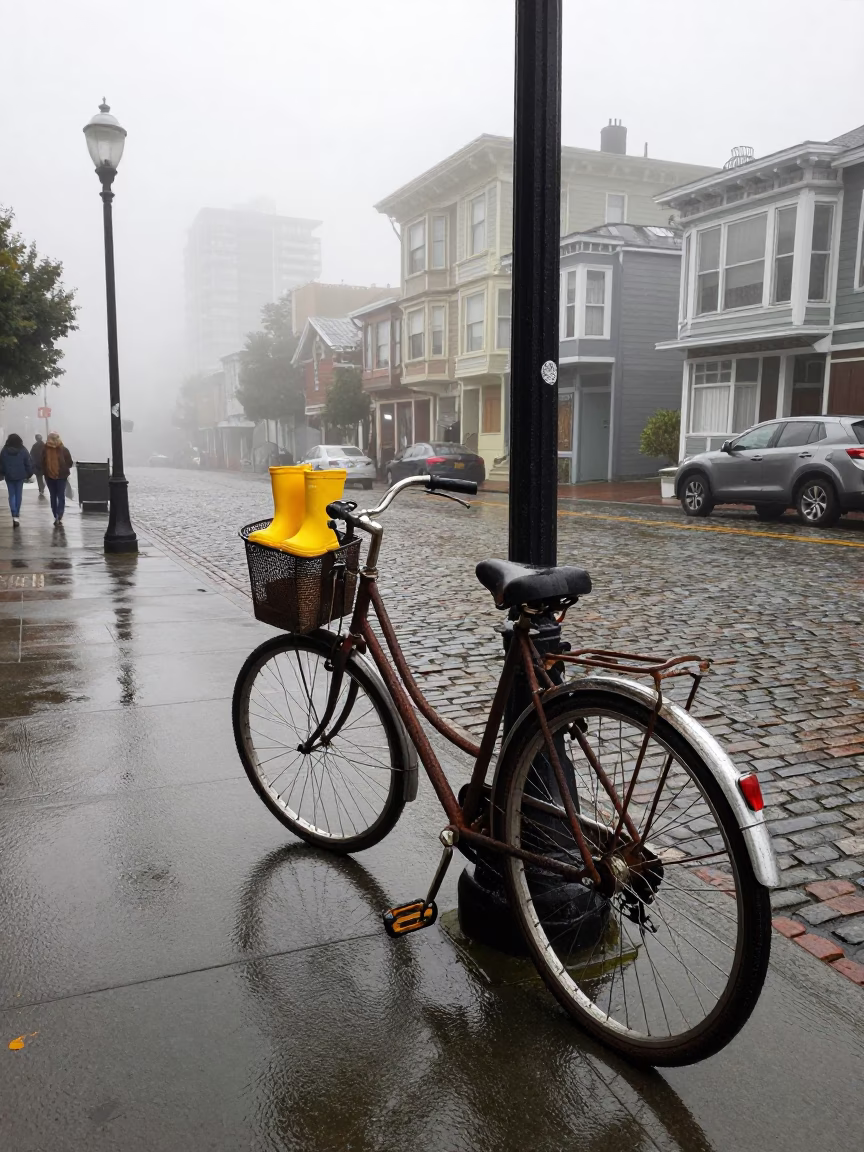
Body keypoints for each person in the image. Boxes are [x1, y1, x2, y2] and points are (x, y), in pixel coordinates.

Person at [0, 433, 34, 527]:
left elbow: (1, 463)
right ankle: (17, 515)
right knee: (18, 494)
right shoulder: (23, 449)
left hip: (9, 475)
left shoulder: (4, 450)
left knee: (11, 495)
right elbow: (28, 462)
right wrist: (29, 473)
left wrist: (2, 473)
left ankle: (13, 513)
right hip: (20, 475)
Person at [42, 431, 74, 527]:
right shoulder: (63, 449)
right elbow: (70, 463)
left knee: (54, 496)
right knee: (60, 496)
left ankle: (56, 515)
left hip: (51, 476)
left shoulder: (45, 449)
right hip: (60, 476)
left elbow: (42, 462)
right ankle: (59, 515)